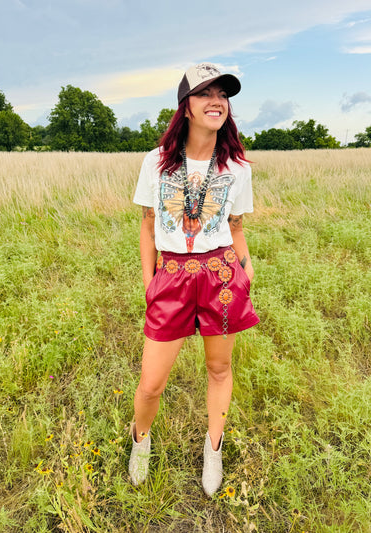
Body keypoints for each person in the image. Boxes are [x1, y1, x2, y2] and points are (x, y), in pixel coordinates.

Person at [129, 62, 259, 496]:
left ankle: (213, 448)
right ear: (186, 106)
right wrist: (150, 282)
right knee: (151, 383)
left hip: (221, 274)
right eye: (206, 93)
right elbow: (148, 227)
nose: (216, 101)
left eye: (223, 95)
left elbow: (236, 225)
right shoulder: (157, 164)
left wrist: (246, 266)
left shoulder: (236, 168)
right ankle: (140, 441)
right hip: (171, 276)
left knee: (219, 369)